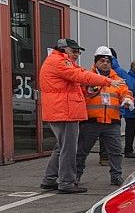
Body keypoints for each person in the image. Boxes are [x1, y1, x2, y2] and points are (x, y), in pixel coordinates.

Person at [40, 38, 124, 194]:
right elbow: (80, 76)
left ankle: (49, 179)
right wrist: (107, 81)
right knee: (68, 149)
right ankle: (66, 182)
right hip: (65, 111)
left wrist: (87, 91)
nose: (77, 54)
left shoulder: (57, 61)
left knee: (61, 148)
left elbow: (73, 83)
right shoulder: (60, 62)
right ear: (64, 49)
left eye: (78, 51)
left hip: (61, 110)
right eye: (74, 51)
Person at [75, 47, 134, 186]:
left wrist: (127, 99)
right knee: (82, 151)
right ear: (96, 62)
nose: (106, 63)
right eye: (102, 60)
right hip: (91, 121)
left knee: (116, 152)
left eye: (108, 61)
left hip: (112, 121)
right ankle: (75, 176)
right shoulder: (87, 77)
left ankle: (116, 176)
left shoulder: (118, 79)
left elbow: (126, 92)